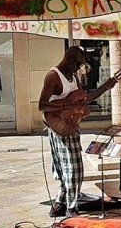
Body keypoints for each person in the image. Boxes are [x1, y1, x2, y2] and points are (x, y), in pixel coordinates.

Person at [38, 46, 115, 218]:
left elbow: (84, 99)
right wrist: (65, 105)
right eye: (78, 64)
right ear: (69, 59)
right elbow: (41, 104)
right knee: (74, 167)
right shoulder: (53, 76)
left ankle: (59, 203)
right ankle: (71, 207)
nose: (79, 68)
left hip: (70, 124)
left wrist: (107, 86)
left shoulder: (72, 77)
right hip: (58, 124)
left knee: (68, 166)